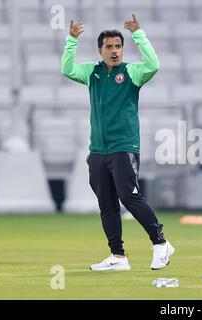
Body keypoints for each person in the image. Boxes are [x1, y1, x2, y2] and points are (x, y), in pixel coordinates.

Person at [61, 15, 174, 271]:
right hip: (98, 149)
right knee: (106, 204)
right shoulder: (93, 72)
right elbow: (67, 69)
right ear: (100, 51)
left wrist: (139, 35)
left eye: (118, 46)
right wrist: (71, 41)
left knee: (129, 196)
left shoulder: (132, 72)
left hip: (124, 146)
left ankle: (161, 242)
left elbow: (154, 65)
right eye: (109, 47)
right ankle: (118, 256)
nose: (114, 51)